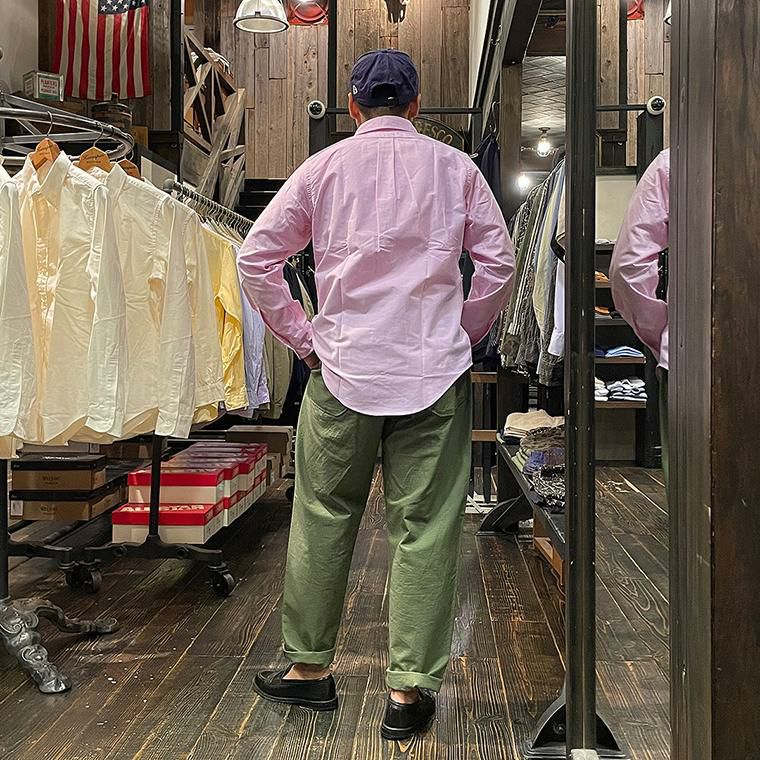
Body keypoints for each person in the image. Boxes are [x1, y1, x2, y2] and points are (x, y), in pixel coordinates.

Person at [237, 49, 515, 741]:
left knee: (324, 516)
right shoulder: (457, 169)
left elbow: (257, 257)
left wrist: (304, 338)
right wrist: (461, 332)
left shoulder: (322, 169)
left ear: (353, 107)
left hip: (343, 370)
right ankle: (408, 692)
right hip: (432, 372)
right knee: (426, 528)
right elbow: (500, 263)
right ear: (416, 105)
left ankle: (309, 671)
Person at [610, 149, 670, 484]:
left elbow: (629, 267)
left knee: (698, 495)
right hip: (689, 349)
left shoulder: (675, 162)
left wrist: (663, 334)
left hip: (695, 352)